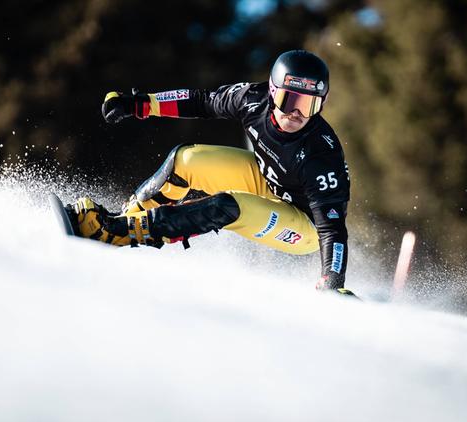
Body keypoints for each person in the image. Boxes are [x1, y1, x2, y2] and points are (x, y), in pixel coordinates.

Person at [68, 50, 355, 296]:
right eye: (290, 101)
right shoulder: (251, 99)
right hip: (272, 183)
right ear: (271, 90)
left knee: (228, 206)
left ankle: (120, 233)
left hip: (305, 226)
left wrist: (333, 283)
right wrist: (140, 103)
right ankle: (121, 223)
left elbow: (332, 229)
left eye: (309, 105)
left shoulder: (321, 154)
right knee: (187, 159)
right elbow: (202, 100)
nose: (297, 114)